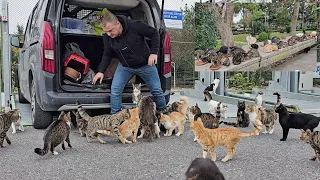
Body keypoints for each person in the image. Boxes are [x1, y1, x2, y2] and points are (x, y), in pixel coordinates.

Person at [92, 10, 166, 114]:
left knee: (157, 91)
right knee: (115, 91)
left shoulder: (134, 26)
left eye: (110, 30)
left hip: (146, 65)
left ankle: (164, 115)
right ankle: (116, 117)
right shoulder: (108, 37)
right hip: (125, 66)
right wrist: (101, 71)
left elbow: (154, 33)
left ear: (117, 23)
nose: (108, 34)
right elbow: (107, 54)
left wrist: (154, 53)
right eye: (106, 32)